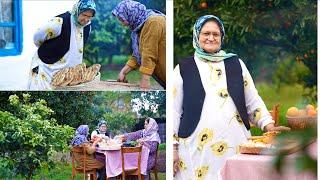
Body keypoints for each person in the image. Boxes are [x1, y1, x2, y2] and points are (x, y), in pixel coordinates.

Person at [172, 15, 290, 179]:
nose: (211, 38)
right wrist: (173, 149)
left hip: (235, 146)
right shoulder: (183, 68)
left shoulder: (236, 64)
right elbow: (173, 112)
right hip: (196, 152)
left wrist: (269, 126)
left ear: (222, 37)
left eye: (216, 34)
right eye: (206, 33)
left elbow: (253, 101)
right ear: (197, 36)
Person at [28, 0, 96, 90]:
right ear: (77, 10)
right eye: (84, 15)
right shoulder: (59, 22)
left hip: (68, 76)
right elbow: (37, 37)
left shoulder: (87, 26)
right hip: (48, 69)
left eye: (90, 17)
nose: (86, 19)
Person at [112, 0, 166, 89]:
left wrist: (145, 80)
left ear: (131, 13)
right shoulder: (140, 27)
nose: (122, 24)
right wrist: (123, 72)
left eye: (122, 19)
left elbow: (149, 53)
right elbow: (138, 54)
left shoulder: (154, 21)